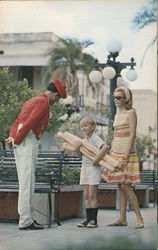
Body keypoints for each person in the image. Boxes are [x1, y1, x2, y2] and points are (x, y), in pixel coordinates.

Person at [5, 80, 66, 230]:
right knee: (28, 182)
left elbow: (19, 120)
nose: (57, 101)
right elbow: (30, 122)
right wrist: (17, 140)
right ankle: (25, 220)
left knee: (25, 182)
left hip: (22, 138)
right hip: (27, 139)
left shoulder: (32, 100)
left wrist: (12, 137)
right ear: (55, 95)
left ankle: (27, 218)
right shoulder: (43, 102)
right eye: (58, 98)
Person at [102, 86, 144, 229]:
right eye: (114, 97)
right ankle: (122, 218)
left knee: (126, 185)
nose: (116, 100)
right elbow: (116, 135)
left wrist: (126, 154)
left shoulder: (131, 113)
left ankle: (140, 219)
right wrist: (111, 155)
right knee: (120, 185)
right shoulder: (117, 114)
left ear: (126, 98)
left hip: (127, 153)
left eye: (119, 97)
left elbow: (132, 135)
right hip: (116, 152)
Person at [74, 117, 108, 228]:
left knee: (92, 195)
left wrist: (96, 160)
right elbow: (80, 157)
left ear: (93, 127)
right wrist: (77, 149)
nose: (83, 128)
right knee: (87, 195)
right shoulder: (83, 141)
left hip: (93, 169)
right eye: (82, 126)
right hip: (85, 168)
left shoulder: (95, 138)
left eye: (86, 125)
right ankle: (88, 220)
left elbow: (105, 147)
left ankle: (94, 220)